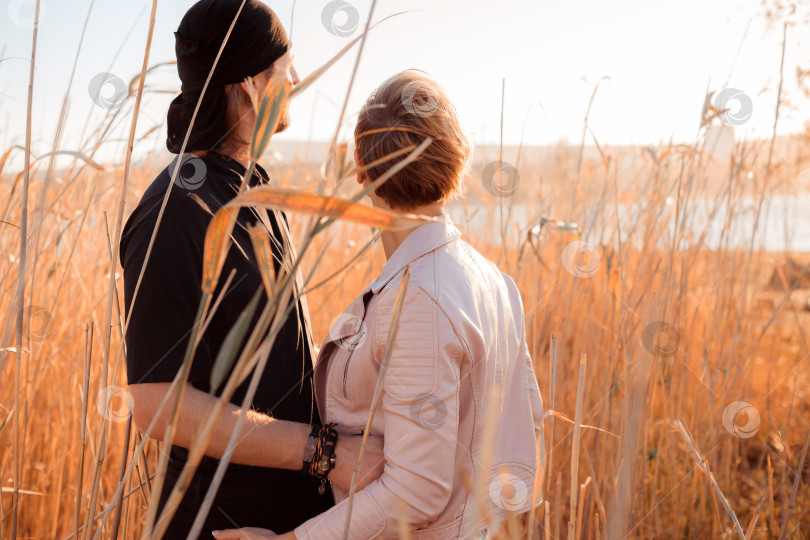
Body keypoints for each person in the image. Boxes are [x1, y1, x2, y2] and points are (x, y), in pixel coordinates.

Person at [214, 71, 544, 540]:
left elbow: (415, 493)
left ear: (361, 172)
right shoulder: (495, 281)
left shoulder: (419, 300)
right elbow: (527, 432)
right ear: (455, 160)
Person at [119, 1, 382, 538]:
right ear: (248, 84)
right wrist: (323, 454)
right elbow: (156, 403)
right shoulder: (176, 210)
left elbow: (267, 355)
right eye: (285, 66)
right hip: (219, 524)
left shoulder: (255, 189)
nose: (299, 79)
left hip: (286, 521)